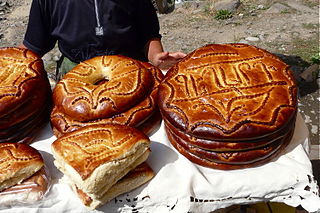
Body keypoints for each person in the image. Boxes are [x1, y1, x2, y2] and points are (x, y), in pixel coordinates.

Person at [21, 0, 186, 80]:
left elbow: (148, 35)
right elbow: (32, 48)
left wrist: (156, 57)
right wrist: (10, 68)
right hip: (75, 78)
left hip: (130, 73)